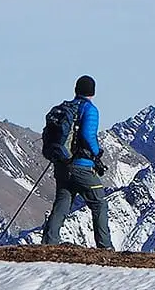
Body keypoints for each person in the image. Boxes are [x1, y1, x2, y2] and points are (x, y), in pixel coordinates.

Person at [44, 75, 113, 249]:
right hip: (81, 167)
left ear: (76, 90)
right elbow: (87, 135)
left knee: (62, 202)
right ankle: (105, 247)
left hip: (62, 164)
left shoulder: (67, 108)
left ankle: (48, 244)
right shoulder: (90, 110)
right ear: (93, 92)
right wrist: (97, 153)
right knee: (99, 203)